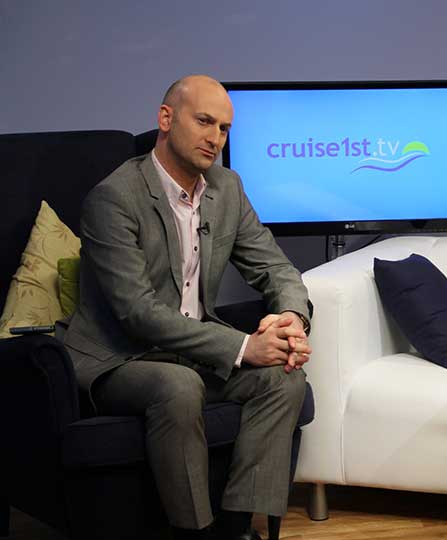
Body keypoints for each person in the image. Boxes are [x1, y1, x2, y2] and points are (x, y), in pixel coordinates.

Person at [63, 75, 313, 540]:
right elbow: (138, 312)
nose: (215, 138)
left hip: (192, 351)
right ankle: (195, 530)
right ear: (165, 118)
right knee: (177, 386)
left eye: (223, 128)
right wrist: (243, 346)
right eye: (204, 121)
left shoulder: (227, 188)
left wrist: (290, 320)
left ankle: (240, 527)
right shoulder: (114, 198)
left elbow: (277, 269)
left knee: (284, 376)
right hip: (121, 357)